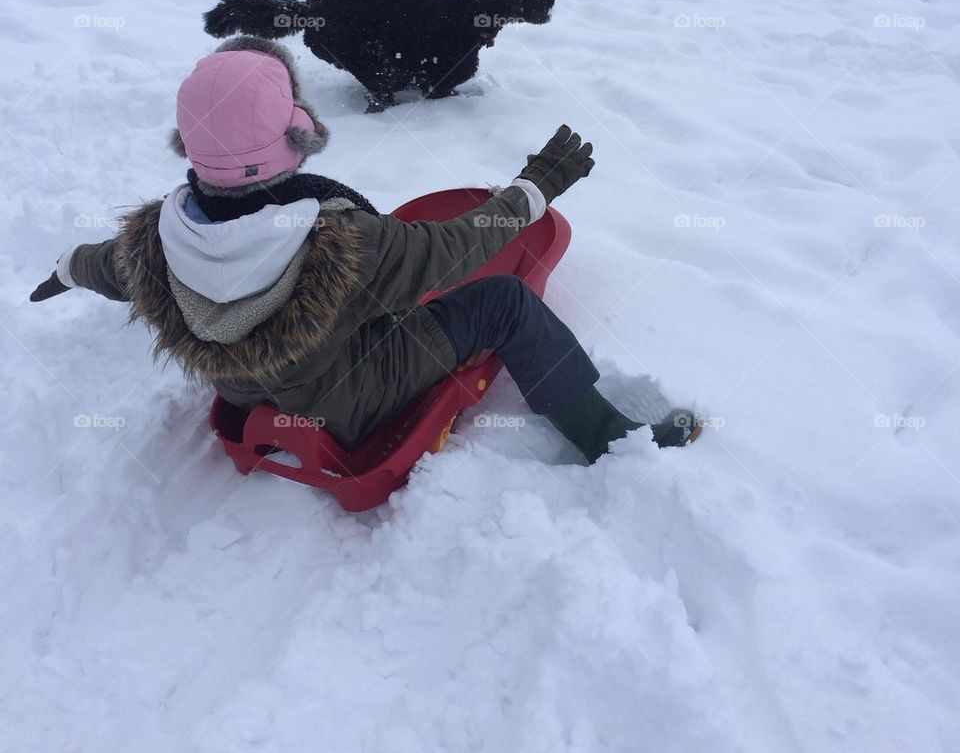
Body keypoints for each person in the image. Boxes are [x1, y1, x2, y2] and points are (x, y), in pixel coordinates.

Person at [30, 37, 698, 462]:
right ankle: (612, 441)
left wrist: (65, 266)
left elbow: (104, 265)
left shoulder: (153, 243)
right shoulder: (342, 246)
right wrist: (532, 192)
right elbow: (459, 246)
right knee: (504, 301)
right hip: (347, 399)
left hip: (243, 394)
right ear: (295, 134)